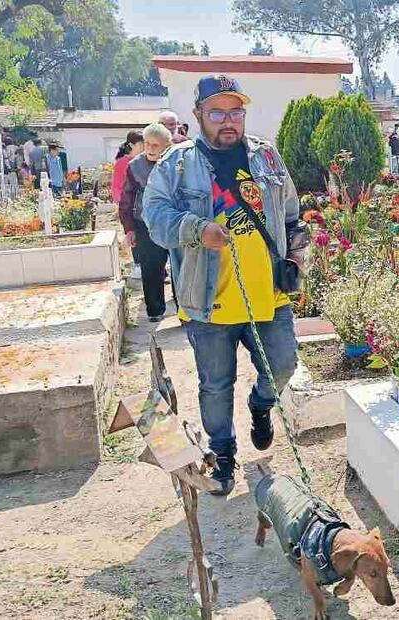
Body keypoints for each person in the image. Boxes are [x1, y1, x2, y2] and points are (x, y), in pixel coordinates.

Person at [144, 75, 303, 496]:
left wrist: (297, 257)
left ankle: (261, 404)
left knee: (284, 364)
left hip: (269, 296)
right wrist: (197, 230)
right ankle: (223, 453)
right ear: (198, 114)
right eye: (217, 112)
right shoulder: (176, 165)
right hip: (208, 301)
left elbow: (292, 214)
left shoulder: (266, 157)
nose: (228, 120)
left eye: (235, 111)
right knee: (215, 385)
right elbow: (155, 219)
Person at [120, 124, 171, 322]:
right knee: (151, 268)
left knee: (180, 267)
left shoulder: (176, 162)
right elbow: (127, 198)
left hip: (173, 221)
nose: (150, 148)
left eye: (155, 145)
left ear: (166, 146)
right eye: (147, 143)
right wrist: (129, 229)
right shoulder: (135, 166)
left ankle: (185, 312)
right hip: (146, 223)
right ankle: (155, 310)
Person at [112, 131, 145, 280]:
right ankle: (138, 264)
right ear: (132, 145)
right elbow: (117, 185)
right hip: (129, 206)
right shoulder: (123, 163)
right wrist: (122, 204)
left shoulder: (145, 161)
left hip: (143, 206)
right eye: (141, 144)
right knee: (133, 235)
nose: (144, 147)